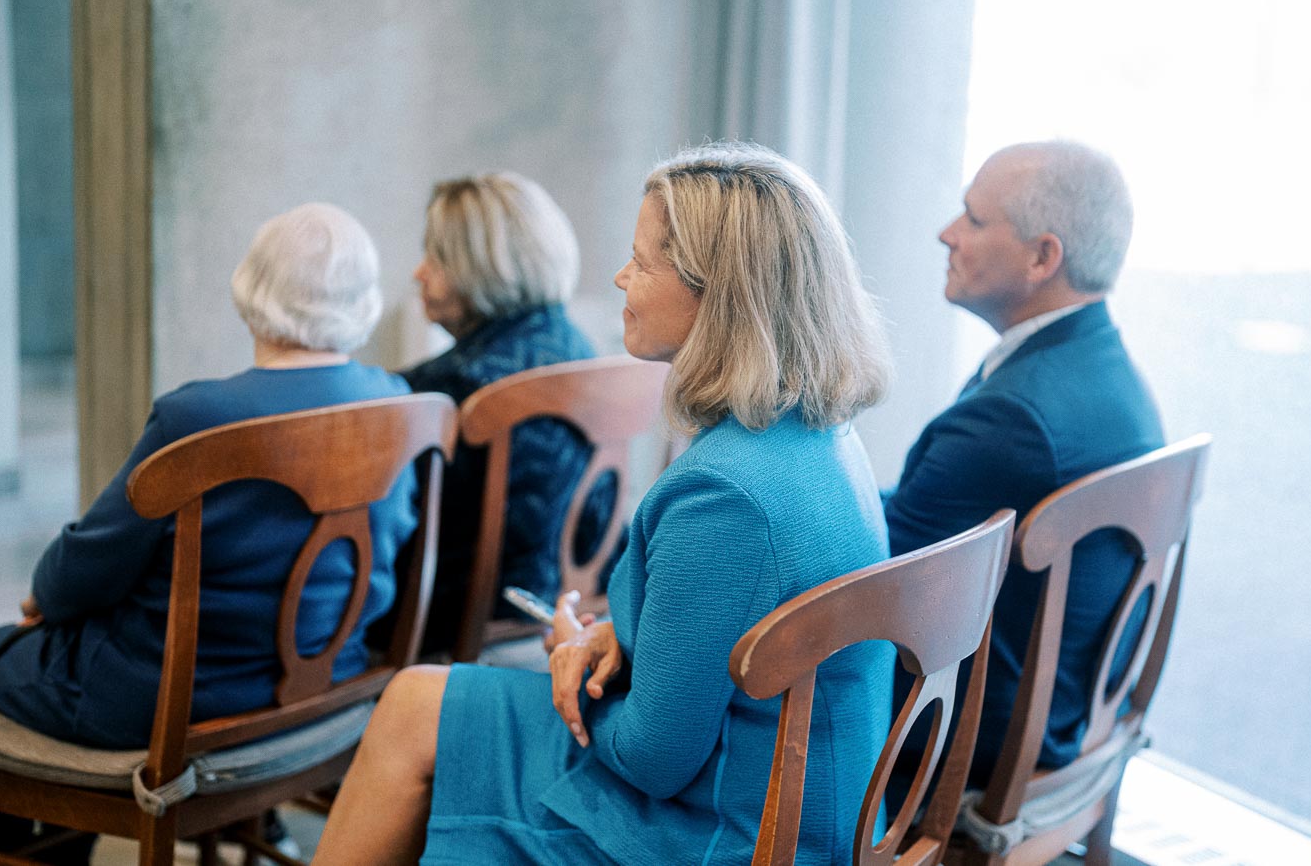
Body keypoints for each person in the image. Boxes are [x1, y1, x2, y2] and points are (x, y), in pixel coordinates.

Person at [312, 142, 895, 865]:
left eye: (642, 263)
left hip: (730, 830)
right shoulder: (815, 434)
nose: (620, 278)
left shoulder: (725, 495)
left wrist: (571, 665)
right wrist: (621, 639)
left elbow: (653, 760)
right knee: (414, 702)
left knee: (410, 710)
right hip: (789, 793)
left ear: (717, 290)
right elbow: (724, 622)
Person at [0, 202, 418, 750]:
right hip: (332, 682)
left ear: (251, 291)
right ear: (365, 301)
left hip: (167, 698)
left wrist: (47, 596)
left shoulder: (197, 418)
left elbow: (88, 568)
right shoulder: (401, 407)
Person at [882, 140, 1164, 784]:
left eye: (974, 220)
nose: (945, 234)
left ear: (1043, 257)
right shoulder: (1110, 373)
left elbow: (875, 581)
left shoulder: (1013, 419)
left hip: (968, 743)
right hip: (1064, 714)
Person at [397, 173, 614, 654]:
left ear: (482, 269)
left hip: (463, 627)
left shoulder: (446, 390)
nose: (419, 273)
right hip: (574, 597)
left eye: (437, 257)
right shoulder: (581, 349)